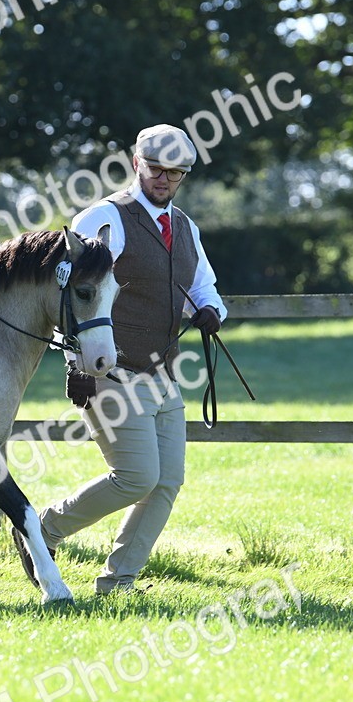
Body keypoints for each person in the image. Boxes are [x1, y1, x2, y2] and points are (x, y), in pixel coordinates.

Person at [13, 124, 226, 594]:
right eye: (155, 169)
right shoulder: (104, 217)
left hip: (164, 371)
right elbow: (69, 292)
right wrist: (75, 366)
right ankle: (40, 531)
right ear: (136, 164)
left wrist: (212, 310)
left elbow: (202, 285)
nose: (163, 179)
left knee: (167, 481)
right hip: (110, 368)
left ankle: (118, 581)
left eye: (175, 172)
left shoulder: (186, 228)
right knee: (136, 477)